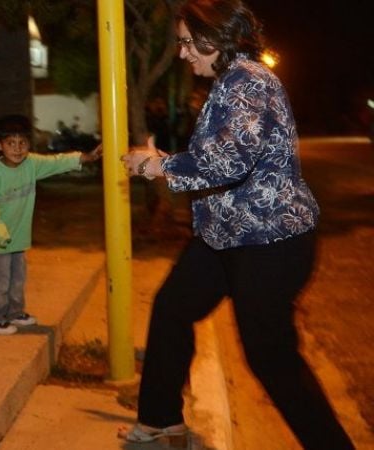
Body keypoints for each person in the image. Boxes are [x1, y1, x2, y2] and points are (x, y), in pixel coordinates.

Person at [119, 1, 355, 448]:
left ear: (215, 37)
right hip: (225, 237)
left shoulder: (248, 80)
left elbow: (229, 161)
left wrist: (158, 166)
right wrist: (168, 161)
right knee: (172, 308)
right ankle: (160, 418)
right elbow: (220, 157)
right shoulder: (230, 81)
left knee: (271, 358)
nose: (183, 53)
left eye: (188, 42)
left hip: (269, 242)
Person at [0, 114, 102, 335]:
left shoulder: (31, 164)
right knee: (0, 283)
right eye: (11, 143)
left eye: (22, 143)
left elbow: (57, 162)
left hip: (18, 239)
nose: (17, 149)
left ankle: (14, 313)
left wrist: (86, 157)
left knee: (17, 280)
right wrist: (0, 233)